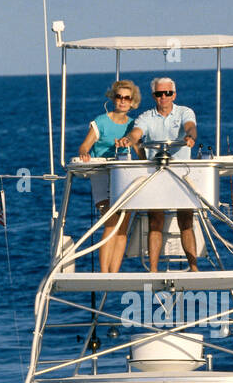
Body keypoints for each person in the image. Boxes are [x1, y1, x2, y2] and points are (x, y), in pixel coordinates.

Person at [127, 77, 198, 271]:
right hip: (155, 173)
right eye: (159, 94)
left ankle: (193, 267)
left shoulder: (184, 112)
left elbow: (190, 126)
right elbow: (137, 133)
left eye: (167, 93)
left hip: (181, 172)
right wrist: (129, 139)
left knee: (186, 220)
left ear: (174, 94)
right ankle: (154, 269)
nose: (163, 97)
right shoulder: (146, 116)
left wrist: (190, 136)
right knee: (155, 220)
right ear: (154, 96)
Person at [77, 80, 140, 273]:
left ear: (132, 102)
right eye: (119, 97)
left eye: (126, 98)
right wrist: (84, 153)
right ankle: (104, 272)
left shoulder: (134, 125)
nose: (122, 101)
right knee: (111, 221)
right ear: (113, 99)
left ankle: (115, 272)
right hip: (102, 175)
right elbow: (84, 146)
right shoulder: (101, 121)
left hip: (124, 176)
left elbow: (140, 151)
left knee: (123, 227)